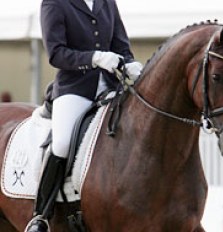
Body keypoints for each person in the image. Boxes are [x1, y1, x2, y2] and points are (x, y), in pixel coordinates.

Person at [24, 0, 142, 231]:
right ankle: (42, 215)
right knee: (62, 142)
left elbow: (120, 44)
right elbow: (56, 53)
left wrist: (130, 64)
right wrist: (94, 58)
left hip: (111, 85)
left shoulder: (106, 2)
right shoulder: (54, 3)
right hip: (76, 88)